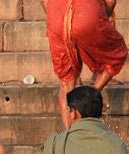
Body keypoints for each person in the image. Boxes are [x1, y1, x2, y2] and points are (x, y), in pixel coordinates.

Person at [42, 0, 127, 128]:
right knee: (117, 52)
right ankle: (90, 95)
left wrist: (58, 18)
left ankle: (69, 136)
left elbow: (44, 2)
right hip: (87, 12)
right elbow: (110, 1)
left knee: (66, 82)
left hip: (56, 14)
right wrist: (102, 15)